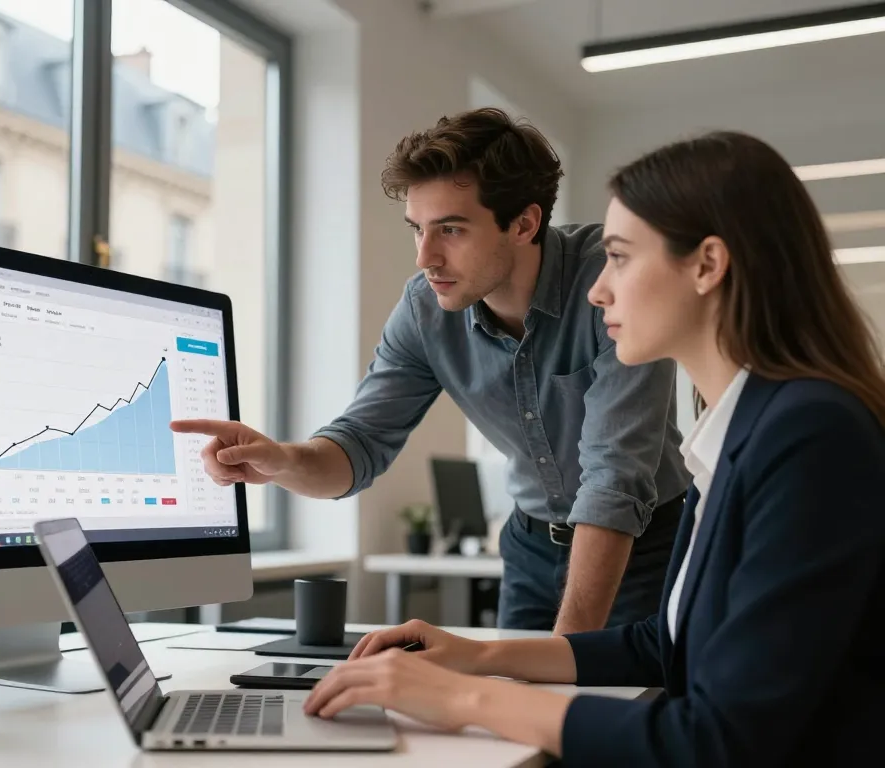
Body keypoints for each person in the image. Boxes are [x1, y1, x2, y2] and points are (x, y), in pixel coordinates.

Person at [301, 131, 885, 766]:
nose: (599, 289)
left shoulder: (809, 438)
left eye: (621, 257)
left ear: (707, 266)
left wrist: (467, 699)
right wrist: (476, 655)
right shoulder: (737, 436)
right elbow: (664, 645)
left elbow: (720, 740)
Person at [172, 107, 691, 634]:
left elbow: (614, 478)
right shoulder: (425, 311)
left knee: (617, 705)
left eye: (451, 229)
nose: (425, 257)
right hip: (531, 546)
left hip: (642, 545)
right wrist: (281, 460)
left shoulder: (612, 280)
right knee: (512, 705)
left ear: (524, 223)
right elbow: (358, 445)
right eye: (417, 229)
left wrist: (564, 659)